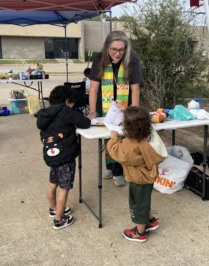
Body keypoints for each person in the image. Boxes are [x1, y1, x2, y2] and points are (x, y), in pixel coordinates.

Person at [88, 31, 143, 187]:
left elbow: (136, 88)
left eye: (121, 49)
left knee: (122, 135)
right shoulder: (99, 59)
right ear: (107, 47)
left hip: (124, 106)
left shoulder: (132, 60)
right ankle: (110, 166)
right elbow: (93, 88)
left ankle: (119, 170)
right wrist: (92, 112)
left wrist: (134, 112)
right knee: (108, 135)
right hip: (104, 107)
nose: (117, 53)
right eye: (114, 49)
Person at [107, 106, 165, 243]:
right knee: (144, 201)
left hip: (138, 178)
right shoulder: (148, 138)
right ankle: (150, 220)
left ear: (126, 126)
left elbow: (117, 153)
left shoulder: (130, 144)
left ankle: (140, 232)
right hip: (148, 176)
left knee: (137, 205)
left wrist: (113, 138)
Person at [36, 85, 91, 230]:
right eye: (72, 104)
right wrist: (89, 117)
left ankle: (53, 208)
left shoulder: (45, 113)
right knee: (64, 188)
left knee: (52, 183)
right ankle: (59, 219)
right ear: (67, 101)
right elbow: (85, 123)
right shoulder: (65, 111)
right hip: (65, 157)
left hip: (51, 155)